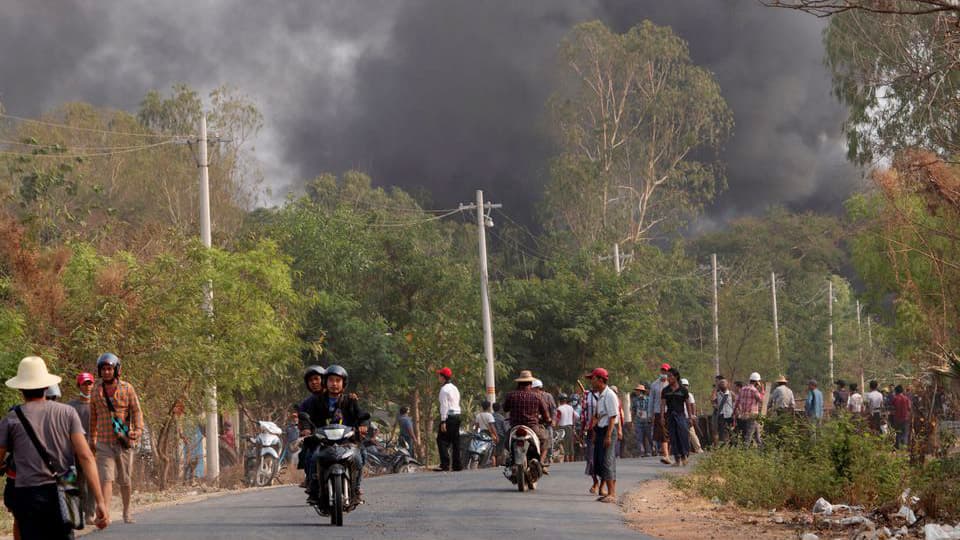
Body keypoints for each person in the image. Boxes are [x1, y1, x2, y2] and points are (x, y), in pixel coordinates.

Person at [0, 356, 110, 539]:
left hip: (27, 494)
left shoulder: (11, 419)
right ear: (45, 386)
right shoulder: (67, 413)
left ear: (20, 388)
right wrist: (100, 502)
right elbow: (86, 456)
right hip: (65, 488)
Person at [298, 365, 368, 503]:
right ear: (326, 382)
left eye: (338, 381)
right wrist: (306, 429)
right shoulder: (316, 401)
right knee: (313, 458)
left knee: (360, 457)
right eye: (331, 380)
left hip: (347, 440)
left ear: (343, 384)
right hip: (324, 441)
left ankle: (356, 488)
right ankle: (314, 488)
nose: (334, 384)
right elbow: (307, 417)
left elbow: (361, 415)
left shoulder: (350, 400)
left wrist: (363, 426)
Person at [89, 352, 143, 525]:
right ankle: (105, 515)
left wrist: (138, 430)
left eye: (109, 369)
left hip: (124, 441)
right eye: (103, 369)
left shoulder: (127, 388)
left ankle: (127, 512)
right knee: (106, 478)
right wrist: (92, 438)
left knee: (125, 480)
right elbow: (93, 417)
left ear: (116, 370)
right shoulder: (96, 391)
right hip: (104, 443)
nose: (106, 372)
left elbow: (136, 411)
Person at [502, 370, 551, 467]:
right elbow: (546, 415)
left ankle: (509, 459)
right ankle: (541, 461)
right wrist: (548, 420)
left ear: (519, 383)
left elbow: (505, 408)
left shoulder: (511, 395)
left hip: (515, 427)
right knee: (545, 440)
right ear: (531, 383)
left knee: (507, 441)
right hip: (532, 427)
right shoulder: (537, 396)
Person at [67, 372, 96, 525]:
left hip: (93, 450)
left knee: (92, 482)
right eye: (84, 384)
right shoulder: (70, 407)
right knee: (78, 482)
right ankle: (77, 515)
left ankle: (90, 514)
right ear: (78, 386)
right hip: (75, 450)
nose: (88, 386)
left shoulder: (99, 404)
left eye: (90, 383)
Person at [589, 368, 619, 503]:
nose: (592, 381)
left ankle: (612, 493)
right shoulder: (600, 396)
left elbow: (613, 417)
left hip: (608, 430)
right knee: (600, 462)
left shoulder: (610, 395)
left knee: (608, 461)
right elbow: (598, 416)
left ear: (600, 380)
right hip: (601, 430)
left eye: (593, 378)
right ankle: (607, 491)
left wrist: (608, 436)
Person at [661, 368, 693, 467]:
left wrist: (690, 417)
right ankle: (677, 459)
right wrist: (662, 417)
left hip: (681, 416)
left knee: (683, 436)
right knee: (673, 437)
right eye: (668, 376)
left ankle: (684, 457)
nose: (668, 378)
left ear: (676, 377)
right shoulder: (665, 390)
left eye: (670, 376)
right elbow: (662, 405)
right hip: (670, 416)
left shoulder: (683, 390)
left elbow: (688, 404)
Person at [434, 367, 462, 472]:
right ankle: (457, 465)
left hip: (449, 417)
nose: (438, 378)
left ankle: (444, 464)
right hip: (457, 415)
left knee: (441, 440)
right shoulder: (455, 388)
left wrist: (443, 421)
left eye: (439, 376)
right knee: (455, 441)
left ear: (443, 377)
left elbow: (444, 406)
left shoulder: (444, 389)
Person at [646, 363, 672, 464]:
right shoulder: (654, 385)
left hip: (670, 411)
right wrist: (650, 414)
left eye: (666, 371)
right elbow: (651, 401)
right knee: (662, 434)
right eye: (662, 371)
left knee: (671, 433)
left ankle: (670, 453)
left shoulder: (672, 384)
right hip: (658, 412)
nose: (664, 373)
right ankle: (666, 455)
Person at [734, 373, 763, 447]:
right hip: (752, 415)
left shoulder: (742, 389)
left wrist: (734, 412)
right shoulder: (754, 390)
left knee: (757, 436)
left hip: (743, 415)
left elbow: (737, 402)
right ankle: (744, 453)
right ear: (757, 382)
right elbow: (761, 400)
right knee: (748, 437)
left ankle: (761, 448)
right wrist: (762, 391)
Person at [532, 379, 557, 462]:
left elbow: (553, 409)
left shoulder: (548, 396)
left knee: (549, 439)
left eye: (536, 388)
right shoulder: (531, 397)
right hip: (535, 424)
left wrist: (553, 420)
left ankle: (549, 456)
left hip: (546, 422)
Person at [473, 400, 499, 466]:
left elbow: (476, 427)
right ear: (489, 407)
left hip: (481, 434)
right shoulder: (489, 416)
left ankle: (480, 465)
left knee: (482, 451)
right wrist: (496, 436)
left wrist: (475, 435)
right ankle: (493, 467)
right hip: (489, 434)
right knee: (492, 453)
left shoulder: (478, 415)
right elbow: (492, 427)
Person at [680, 379, 702, 453]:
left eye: (686, 385)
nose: (685, 387)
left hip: (688, 417)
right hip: (680, 416)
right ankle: (686, 449)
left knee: (691, 433)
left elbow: (693, 405)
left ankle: (698, 448)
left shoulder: (689, 395)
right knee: (683, 434)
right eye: (684, 385)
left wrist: (693, 415)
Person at [630, 384, 653, 457]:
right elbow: (633, 411)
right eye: (636, 390)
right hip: (638, 421)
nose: (636, 392)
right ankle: (640, 452)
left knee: (649, 436)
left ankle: (652, 450)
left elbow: (651, 410)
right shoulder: (634, 400)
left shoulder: (648, 399)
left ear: (641, 391)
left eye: (638, 391)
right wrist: (632, 421)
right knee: (638, 437)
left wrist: (652, 419)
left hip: (647, 420)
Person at [555, 395, 578, 463]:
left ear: (560, 400)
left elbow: (557, 419)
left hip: (562, 428)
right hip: (570, 427)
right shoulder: (571, 408)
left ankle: (567, 462)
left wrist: (555, 427)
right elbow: (573, 418)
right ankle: (572, 461)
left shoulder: (559, 408)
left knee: (564, 446)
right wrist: (573, 427)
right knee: (570, 445)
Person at [713, 378, 735, 444]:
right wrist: (716, 388)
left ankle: (732, 443)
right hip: (721, 415)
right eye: (721, 383)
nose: (722, 384)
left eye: (724, 383)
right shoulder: (717, 393)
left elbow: (735, 402)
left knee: (731, 430)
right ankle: (724, 444)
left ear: (727, 385)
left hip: (730, 414)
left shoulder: (731, 393)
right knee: (722, 431)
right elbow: (712, 399)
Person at [891, 385, 911, 449]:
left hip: (897, 419)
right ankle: (904, 447)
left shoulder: (895, 398)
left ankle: (898, 447)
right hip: (906, 418)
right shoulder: (906, 398)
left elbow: (892, 407)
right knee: (905, 433)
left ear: (896, 391)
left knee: (898, 433)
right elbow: (909, 408)